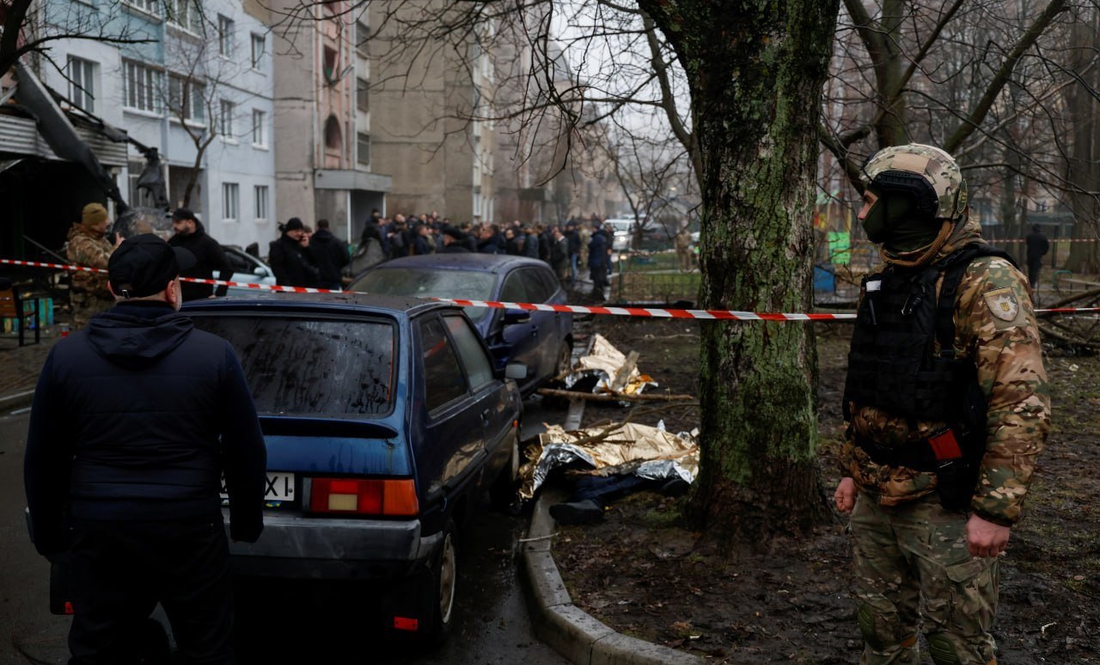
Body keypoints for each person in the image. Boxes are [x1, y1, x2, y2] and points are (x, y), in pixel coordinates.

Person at [834, 143, 1050, 665]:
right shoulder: (892, 274)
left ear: (909, 203)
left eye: (869, 200)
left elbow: (1021, 401)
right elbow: (873, 383)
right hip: (875, 494)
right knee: (881, 638)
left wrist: (995, 511)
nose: (861, 213)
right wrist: (852, 468)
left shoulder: (985, 280)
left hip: (945, 500)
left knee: (959, 647)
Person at [24, 233, 267, 664]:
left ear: (111, 288)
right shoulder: (214, 355)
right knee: (206, 646)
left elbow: (44, 458)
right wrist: (246, 523)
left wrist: (51, 536)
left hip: (101, 529)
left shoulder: (66, 358)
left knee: (98, 648)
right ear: (173, 289)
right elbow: (246, 450)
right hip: (189, 527)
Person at [66, 202, 123, 329]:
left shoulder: (100, 239)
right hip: (89, 306)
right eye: (104, 221)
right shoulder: (80, 242)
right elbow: (105, 262)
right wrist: (117, 248)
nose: (107, 223)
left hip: (106, 300)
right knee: (87, 342)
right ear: (95, 224)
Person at [168, 208, 231, 301]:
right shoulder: (173, 242)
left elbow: (227, 268)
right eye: (173, 222)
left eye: (178, 222)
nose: (174, 226)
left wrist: (219, 294)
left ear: (190, 222)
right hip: (177, 300)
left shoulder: (207, 243)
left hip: (201, 301)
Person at [269, 217, 320, 287]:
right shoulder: (278, 246)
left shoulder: (301, 245)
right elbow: (277, 268)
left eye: (301, 231)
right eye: (296, 231)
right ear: (288, 231)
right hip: (288, 290)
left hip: (305, 288)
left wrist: (307, 248)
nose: (299, 233)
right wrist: (286, 284)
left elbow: (315, 261)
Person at [309, 219, 352, 290]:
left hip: (316, 280)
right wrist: (337, 267)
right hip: (334, 278)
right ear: (328, 227)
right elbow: (346, 258)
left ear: (317, 227)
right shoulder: (337, 243)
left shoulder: (311, 242)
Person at [1024, 224, 1050, 292]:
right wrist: (1042, 253)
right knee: (1035, 270)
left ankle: (1029, 282)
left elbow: (1027, 243)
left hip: (1030, 255)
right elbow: (1046, 246)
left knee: (1030, 269)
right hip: (1038, 256)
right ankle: (1033, 283)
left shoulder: (1029, 236)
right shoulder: (1043, 236)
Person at [588, 226, 610, 295]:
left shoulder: (597, 238)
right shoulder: (602, 239)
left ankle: (597, 291)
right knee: (599, 276)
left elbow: (591, 246)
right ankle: (598, 289)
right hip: (600, 261)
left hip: (596, 261)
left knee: (596, 276)